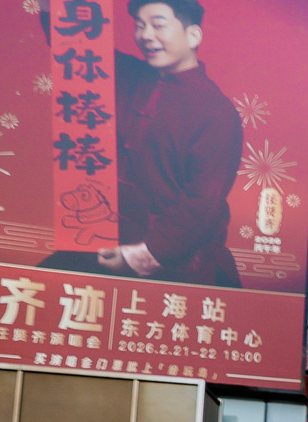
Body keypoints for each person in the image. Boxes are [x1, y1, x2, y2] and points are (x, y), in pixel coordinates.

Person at [97, 0, 244, 288]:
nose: (145, 35)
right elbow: (74, 44)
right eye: (140, 26)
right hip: (105, 243)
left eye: (158, 25)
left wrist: (138, 257)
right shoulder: (128, 74)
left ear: (193, 35)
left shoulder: (217, 112)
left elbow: (201, 205)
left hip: (179, 265)